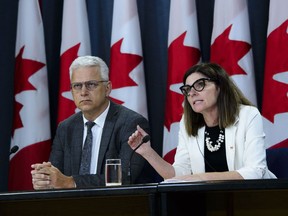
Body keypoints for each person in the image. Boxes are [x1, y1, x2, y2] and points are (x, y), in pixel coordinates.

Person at [128, 62, 276, 182]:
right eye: (187, 89)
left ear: (220, 87)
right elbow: (178, 175)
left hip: (254, 199)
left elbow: (255, 171)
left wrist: (200, 178)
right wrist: (147, 152)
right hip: (209, 202)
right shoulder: (187, 123)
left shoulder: (248, 115)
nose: (191, 93)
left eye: (199, 85)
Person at [31, 55, 153, 189]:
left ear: (107, 88)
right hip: (71, 207)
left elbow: (124, 177)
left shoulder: (131, 123)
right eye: (77, 86)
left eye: (91, 84)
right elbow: (57, 176)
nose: (83, 92)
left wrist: (70, 182)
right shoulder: (66, 128)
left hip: (116, 206)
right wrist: (46, 179)